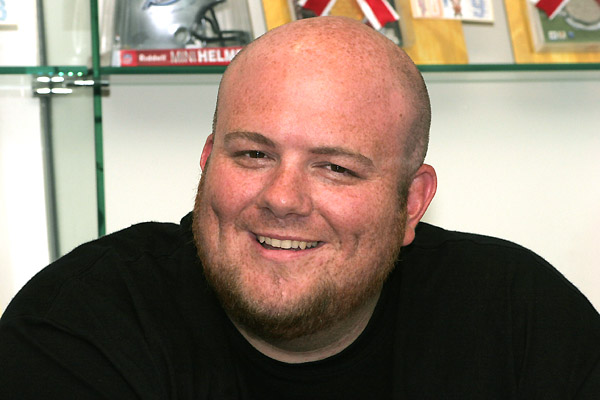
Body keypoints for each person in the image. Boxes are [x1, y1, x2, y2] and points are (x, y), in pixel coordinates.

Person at [0, 16, 599, 399]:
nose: (282, 198)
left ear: (412, 203)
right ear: (207, 162)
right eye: (253, 154)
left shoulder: (522, 322)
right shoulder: (81, 325)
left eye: (336, 167)